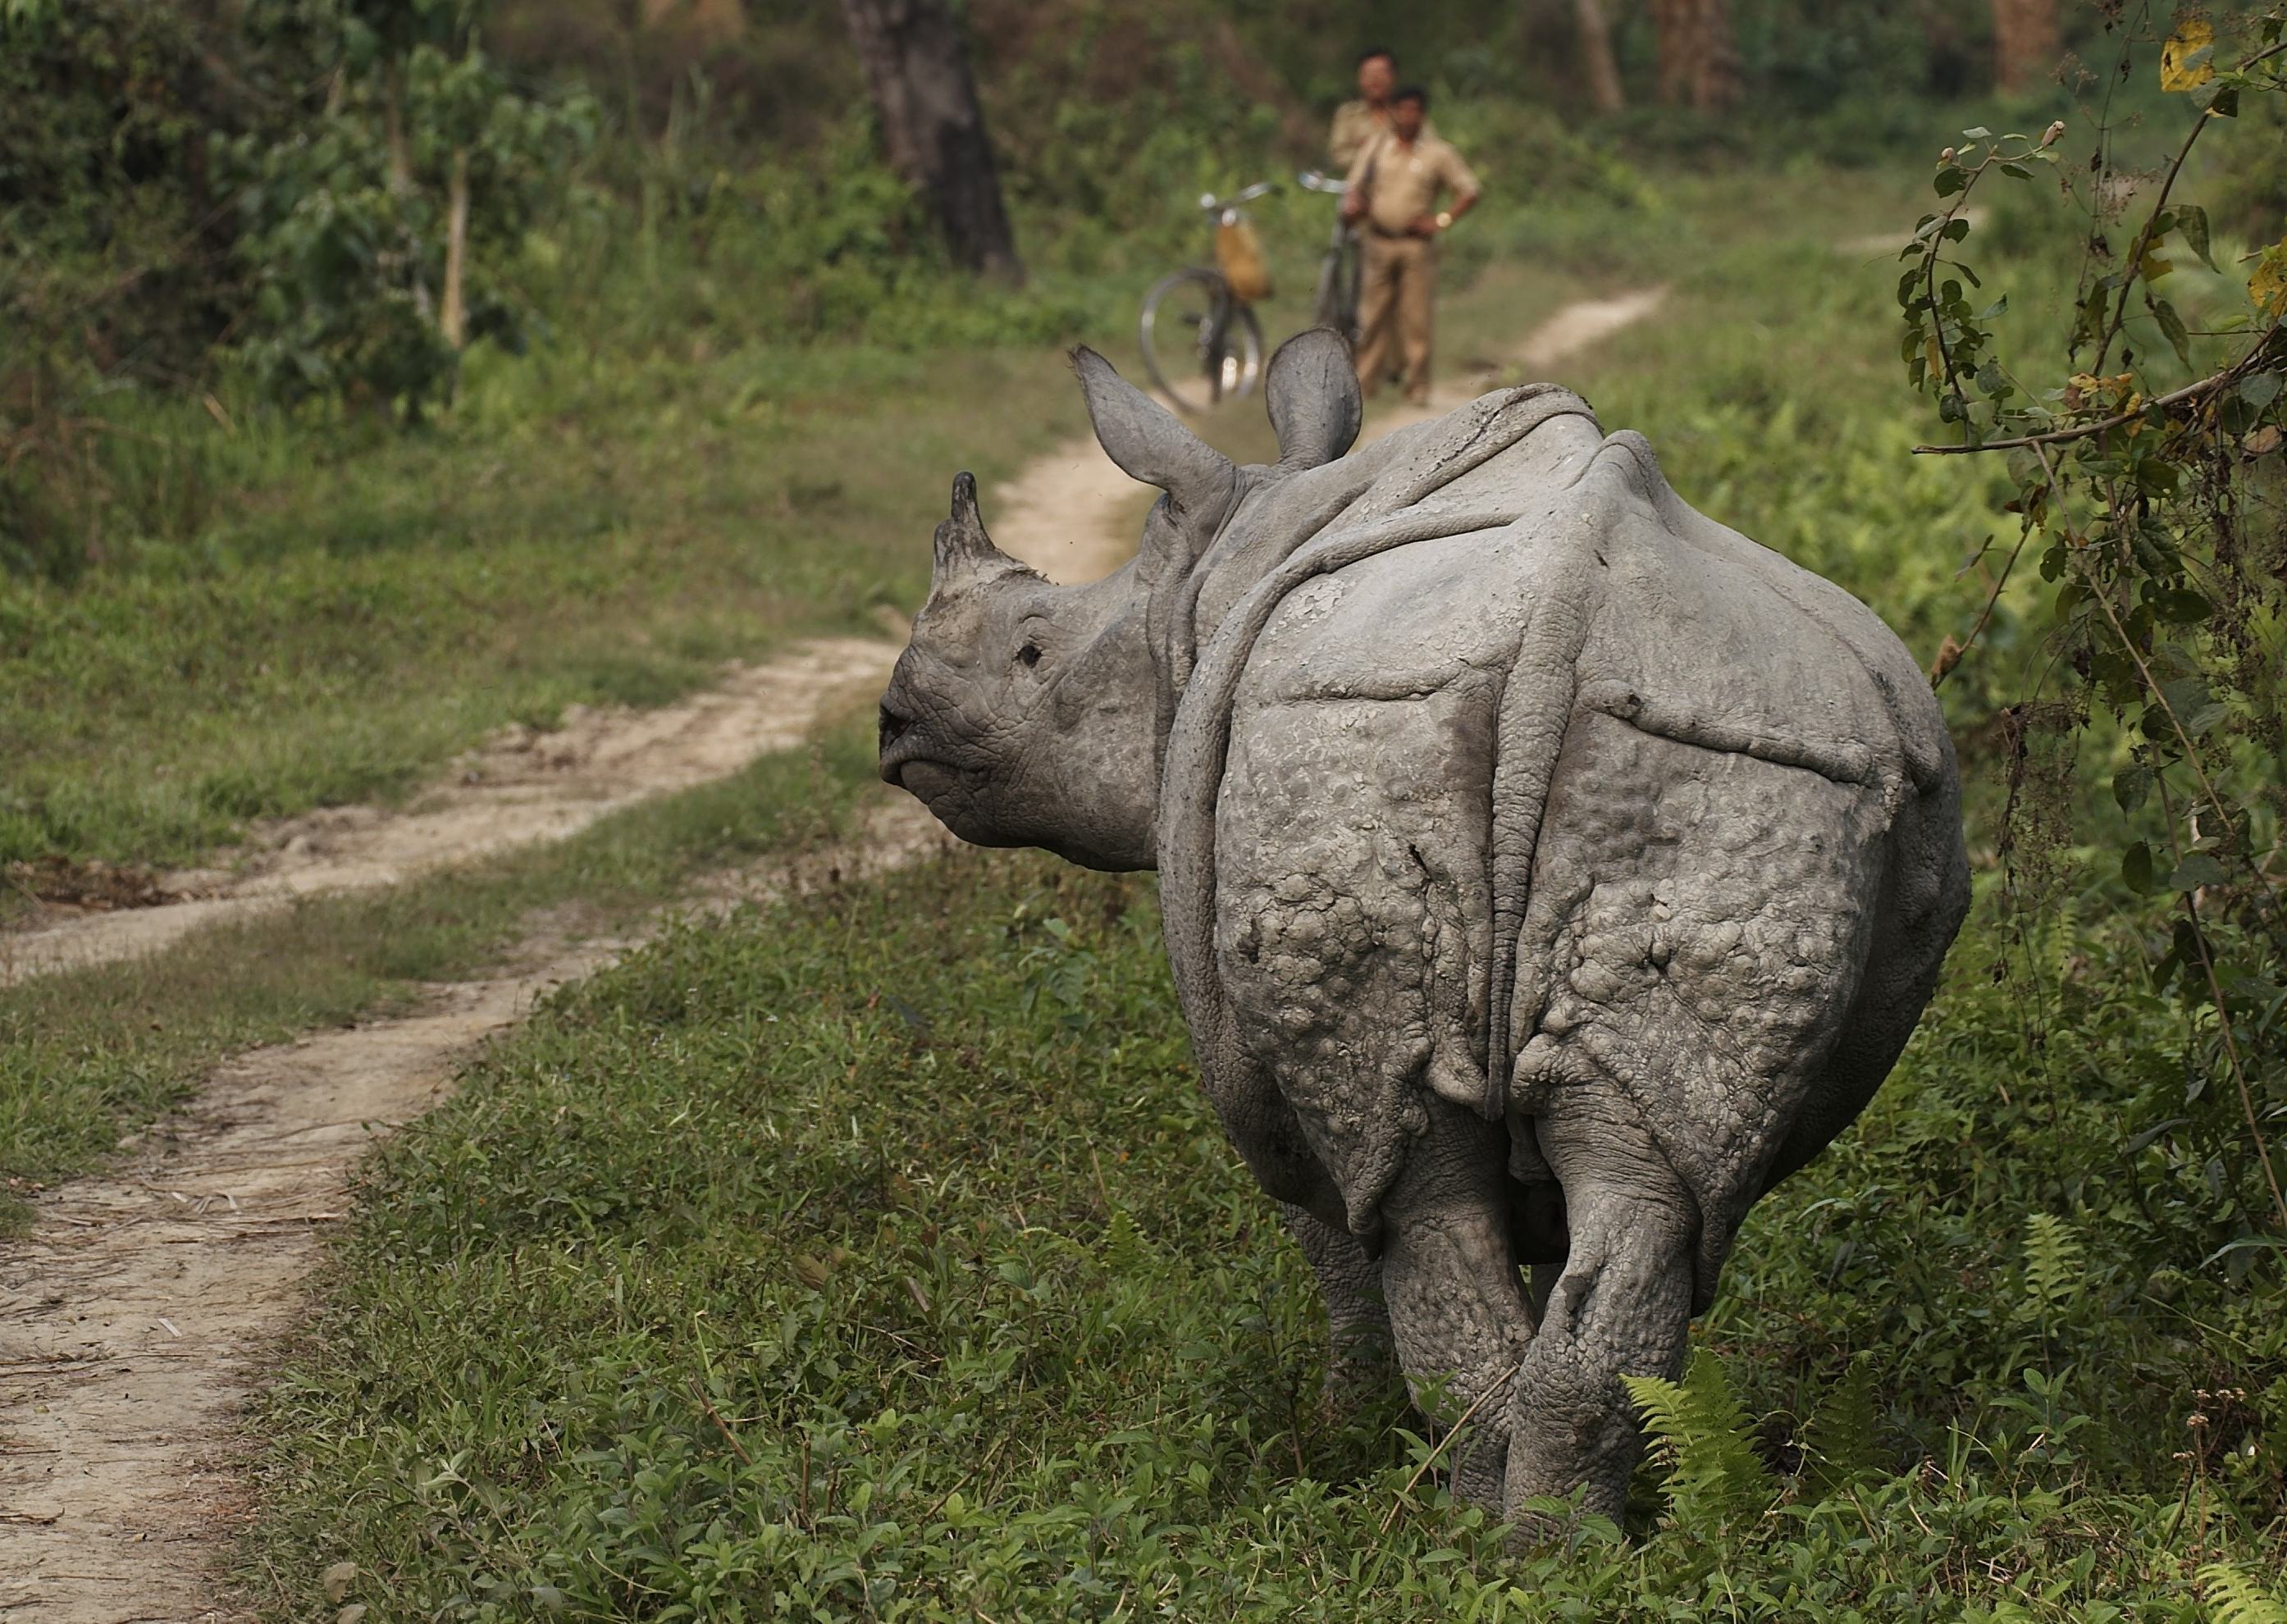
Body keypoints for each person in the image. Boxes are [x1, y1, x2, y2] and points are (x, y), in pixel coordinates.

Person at [1340, 86, 1479, 406]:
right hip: (1378, 240)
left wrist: (1440, 220)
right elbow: (1354, 186)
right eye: (1401, 109)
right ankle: (1365, 383)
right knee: (1371, 315)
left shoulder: (1437, 153)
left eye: (1414, 110)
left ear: (1422, 115)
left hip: (1416, 245)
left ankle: (1417, 385)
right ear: (1393, 113)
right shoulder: (1377, 148)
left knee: (1415, 318)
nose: (1407, 116)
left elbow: (1469, 190)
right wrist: (1354, 207)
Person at [1326, 47, 1434, 170]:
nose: (1375, 79)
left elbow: (1430, 149)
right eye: (1369, 74)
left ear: (1394, 77)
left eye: (1381, 73)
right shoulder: (1348, 114)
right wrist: (1374, 159)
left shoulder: (1409, 111)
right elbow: (1339, 154)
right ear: (1360, 78)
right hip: (1359, 181)